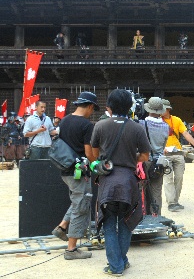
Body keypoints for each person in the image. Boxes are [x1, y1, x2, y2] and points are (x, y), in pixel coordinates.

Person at [91, 89, 151, 275]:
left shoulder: (100, 126)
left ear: (109, 107)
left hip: (108, 182)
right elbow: (145, 156)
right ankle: (122, 260)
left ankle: (115, 266)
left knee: (109, 223)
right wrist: (129, 159)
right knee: (126, 223)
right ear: (130, 107)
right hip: (128, 182)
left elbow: (93, 154)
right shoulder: (137, 128)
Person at [51, 91, 99, 260]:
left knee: (77, 200)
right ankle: (71, 250)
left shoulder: (64, 121)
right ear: (90, 106)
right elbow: (89, 152)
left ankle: (62, 227)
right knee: (81, 206)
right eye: (93, 109)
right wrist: (96, 163)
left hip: (65, 169)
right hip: (79, 171)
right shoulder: (87, 125)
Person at [161, 99, 194, 212]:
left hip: (178, 152)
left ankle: (176, 200)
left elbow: (185, 134)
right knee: (168, 179)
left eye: (163, 109)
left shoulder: (177, 120)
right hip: (165, 154)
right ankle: (171, 203)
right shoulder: (158, 121)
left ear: (168, 109)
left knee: (179, 178)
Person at [138, 97, 169, 215]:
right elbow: (164, 145)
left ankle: (143, 216)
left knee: (142, 190)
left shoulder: (141, 124)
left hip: (144, 161)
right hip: (158, 163)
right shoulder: (166, 127)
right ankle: (156, 216)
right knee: (156, 191)